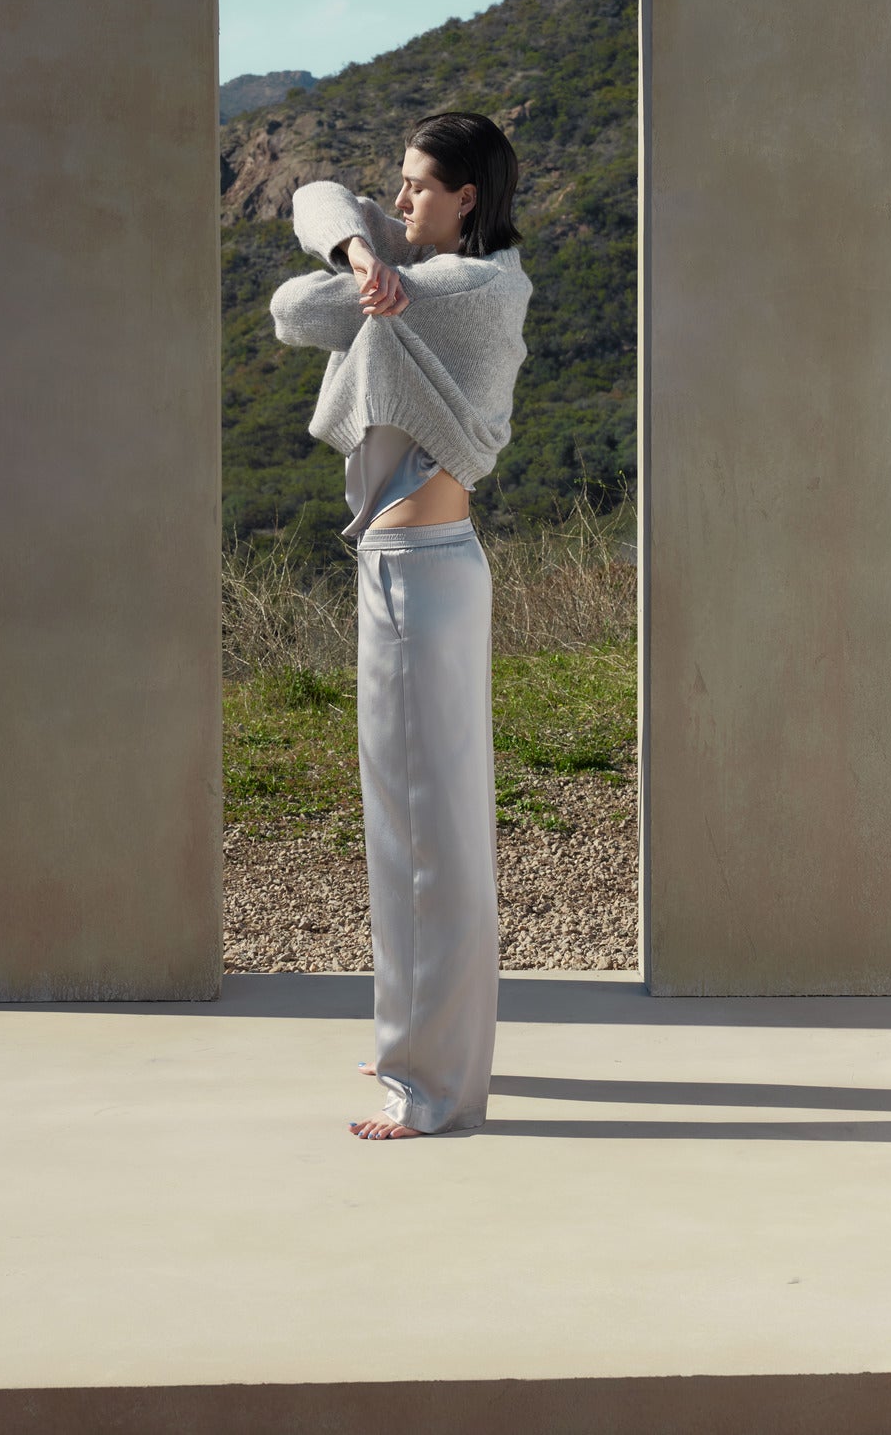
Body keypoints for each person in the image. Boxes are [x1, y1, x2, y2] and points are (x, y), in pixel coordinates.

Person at [268, 110, 533, 1140]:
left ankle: (433, 1089)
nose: (405, 195)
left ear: (469, 198)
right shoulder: (410, 266)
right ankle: (421, 1049)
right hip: (409, 572)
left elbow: (295, 310)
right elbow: (315, 212)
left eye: (423, 186)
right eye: (402, 183)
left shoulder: (463, 288)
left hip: (420, 580)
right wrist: (359, 242)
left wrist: (376, 267)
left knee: (430, 837)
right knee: (410, 829)